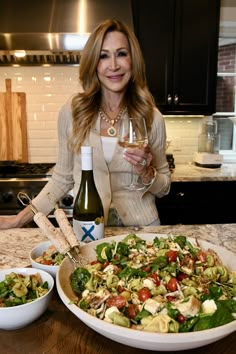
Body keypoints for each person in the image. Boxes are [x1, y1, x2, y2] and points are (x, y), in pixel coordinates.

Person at [0, 19, 171, 230]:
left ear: (133, 60)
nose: (114, 65)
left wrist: (146, 172)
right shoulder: (73, 113)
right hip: (89, 230)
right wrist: (18, 219)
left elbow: (164, 187)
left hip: (142, 230)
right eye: (103, 56)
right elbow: (61, 179)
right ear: (93, 63)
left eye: (121, 54)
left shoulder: (152, 118)